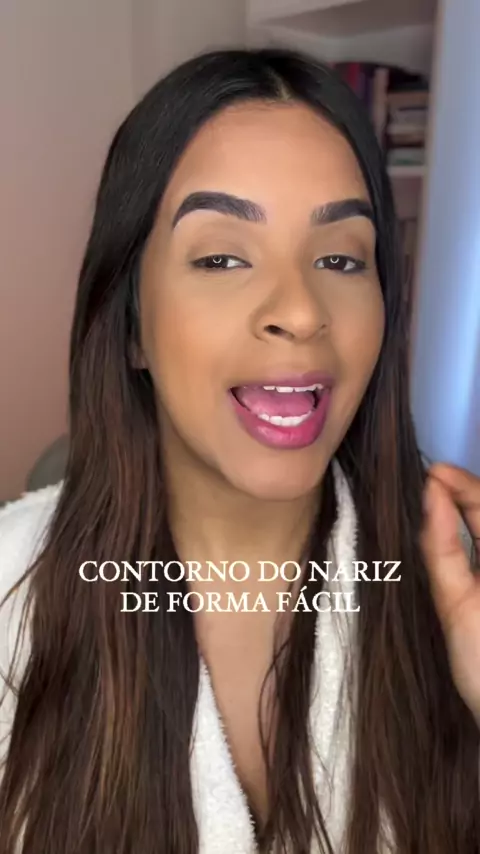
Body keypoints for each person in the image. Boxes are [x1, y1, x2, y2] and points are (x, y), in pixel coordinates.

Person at [0, 47, 479, 854]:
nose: (301, 309)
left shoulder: (455, 589)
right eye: (222, 257)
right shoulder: (12, 597)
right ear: (131, 326)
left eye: (340, 258)